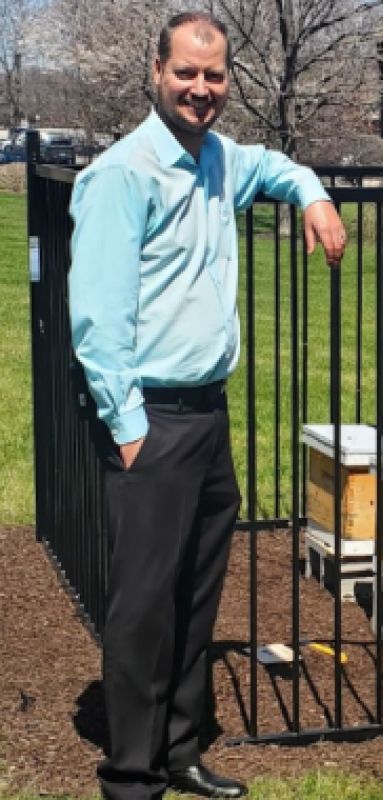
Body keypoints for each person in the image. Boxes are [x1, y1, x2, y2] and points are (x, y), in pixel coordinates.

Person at [69, 12, 346, 800]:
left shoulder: (222, 159)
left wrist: (314, 196)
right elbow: (96, 320)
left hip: (208, 414)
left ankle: (182, 750)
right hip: (150, 420)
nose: (201, 89)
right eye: (187, 73)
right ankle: (131, 776)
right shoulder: (125, 174)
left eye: (215, 75)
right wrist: (128, 432)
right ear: (156, 71)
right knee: (142, 609)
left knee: (195, 595)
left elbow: (279, 166)